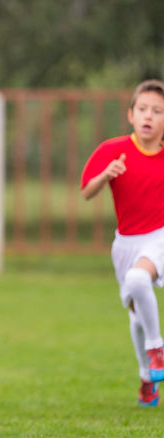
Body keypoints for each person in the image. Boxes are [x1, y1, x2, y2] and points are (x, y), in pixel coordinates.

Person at [81, 79, 164, 407]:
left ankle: (157, 347)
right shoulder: (113, 150)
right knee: (135, 315)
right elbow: (86, 190)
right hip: (126, 244)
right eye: (143, 109)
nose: (149, 116)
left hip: (160, 238)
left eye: (157, 111)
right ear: (131, 114)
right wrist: (106, 175)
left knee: (137, 278)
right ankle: (147, 376)